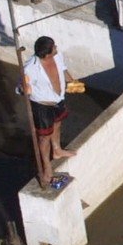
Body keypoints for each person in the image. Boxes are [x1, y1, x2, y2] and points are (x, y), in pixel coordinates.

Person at [22, 35, 74, 184]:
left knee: (57, 124)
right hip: (42, 105)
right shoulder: (30, 68)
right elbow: (22, 87)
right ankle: (47, 168)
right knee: (44, 137)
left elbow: (63, 69)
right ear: (47, 54)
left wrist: (72, 81)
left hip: (58, 99)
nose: (56, 48)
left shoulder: (57, 56)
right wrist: (24, 88)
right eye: (54, 47)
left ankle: (57, 150)